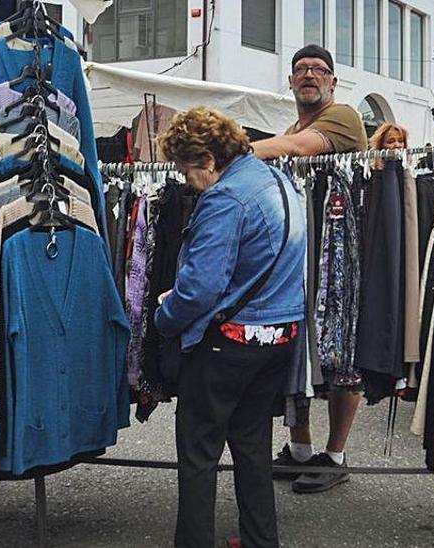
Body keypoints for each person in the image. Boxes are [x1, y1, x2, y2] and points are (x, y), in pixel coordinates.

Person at [155, 107, 307, 548]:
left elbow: (200, 289)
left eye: (186, 169)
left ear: (205, 159)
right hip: (279, 336)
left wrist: (164, 319)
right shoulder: (281, 182)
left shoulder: (225, 198)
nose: (186, 180)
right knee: (252, 447)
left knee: (199, 455)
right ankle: (262, 541)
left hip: (229, 343)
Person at [252, 44, 368, 496]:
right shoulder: (289, 126)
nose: (309, 75)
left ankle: (334, 455)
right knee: (295, 345)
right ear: (290, 81)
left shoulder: (342, 117)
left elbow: (297, 148)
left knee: (342, 349)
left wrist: (231, 150)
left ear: (333, 82)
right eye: (300, 69)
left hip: (343, 244)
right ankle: (300, 450)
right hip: (303, 245)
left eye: (319, 69)